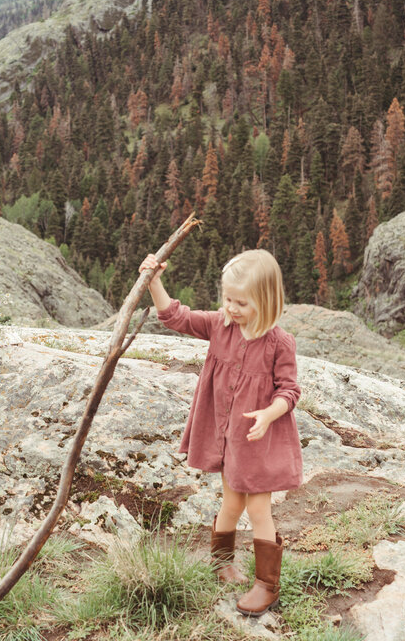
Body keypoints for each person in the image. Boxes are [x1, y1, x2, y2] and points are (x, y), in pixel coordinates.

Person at [138, 248, 302, 617]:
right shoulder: (218, 325)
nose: (231, 307)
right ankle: (221, 562)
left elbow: (289, 391)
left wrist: (269, 413)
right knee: (231, 504)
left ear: (266, 301)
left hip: (258, 439)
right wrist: (155, 282)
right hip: (227, 437)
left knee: (259, 509)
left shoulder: (279, 343)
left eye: (241, 302)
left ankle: (266, 584)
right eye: (227, 298)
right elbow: (175, 317)